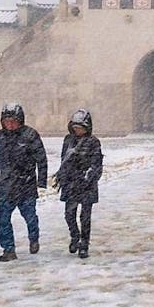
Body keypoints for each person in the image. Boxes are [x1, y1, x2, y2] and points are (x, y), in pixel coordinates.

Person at [0, 103, 48, 262]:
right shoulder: (0, 136)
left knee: (30, 217)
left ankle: (34, 238)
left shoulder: (30, 135)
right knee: (4, 219)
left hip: (25, 185)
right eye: (7, 121)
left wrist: (42, 180)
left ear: (20, 120)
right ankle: (8, 249)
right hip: (6, 186)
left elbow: (41, 159)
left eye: (13, 121)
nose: (10, 124)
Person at [54, 109, 103, 259]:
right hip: (70, 182)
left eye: (80, 127)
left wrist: (89, 175)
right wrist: (62, 176)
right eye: (75, 127)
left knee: (85, 217)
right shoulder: (68, 140)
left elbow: (97, 163)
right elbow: (63, 160)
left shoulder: (93, 141)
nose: (77, 130)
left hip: (86, 183)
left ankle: (84, 244)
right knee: (69, 214)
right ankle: (74, 236)